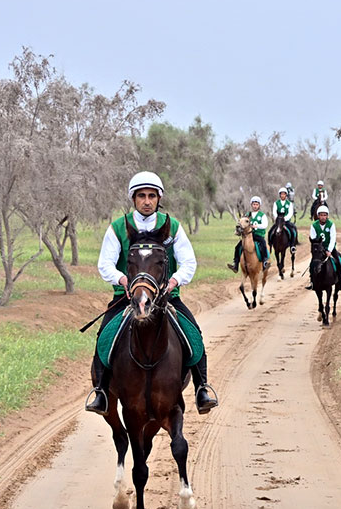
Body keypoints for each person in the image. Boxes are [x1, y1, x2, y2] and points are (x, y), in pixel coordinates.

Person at [85, 171, 219, 415]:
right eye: (141, 196)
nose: (147, 201)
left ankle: (202, 388)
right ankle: (102, 392)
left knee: (194, 334)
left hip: (167, 297)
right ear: (133, 199)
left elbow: (188, 262)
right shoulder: (118, 227)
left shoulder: (173, 227)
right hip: (126, 296)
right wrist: (122, 279)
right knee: (104, 335)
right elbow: (105, 263)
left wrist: (174, 281)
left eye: (151, 196)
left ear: (159, 199)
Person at [306, 205, 341, 290]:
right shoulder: (314, 225)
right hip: (319, 249)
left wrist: (329, 250)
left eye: (325, 215)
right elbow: (313, 238)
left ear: (327, 216)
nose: (323, 217)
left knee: (339, 262)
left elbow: (333, 238)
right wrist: (319, 248)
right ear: (318, 216)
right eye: (321, 215)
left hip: (330, 248)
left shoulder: (331, 225)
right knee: (313, 263)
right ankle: (312, 282)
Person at [228, 196, 270, 272]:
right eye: (254, 204)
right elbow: (242, 222)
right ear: (251, 205)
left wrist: (256, 226)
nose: (255, 206)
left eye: (257, 204)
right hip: (247, 235)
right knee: (237, 247)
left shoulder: (262, 215)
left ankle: (265, 262)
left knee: (263, 244)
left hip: (258, 235)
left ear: (259, 205)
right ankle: (235, 264)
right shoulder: (248, 214)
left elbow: (265, 225)